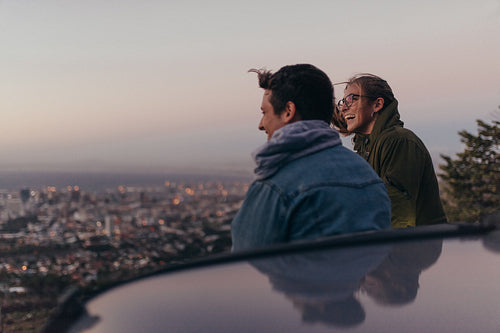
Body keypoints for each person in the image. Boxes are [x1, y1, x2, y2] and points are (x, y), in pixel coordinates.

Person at [231, 64, 391, 251]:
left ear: (288, 111)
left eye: (265, 112)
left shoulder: (276, 185)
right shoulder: (366, 175)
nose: (261, 124)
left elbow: (246, 267)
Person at [333, 74, 447, 228]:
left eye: (351, 99)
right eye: (342, 102)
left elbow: (397, 210)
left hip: (413, 246)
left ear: (377, 104)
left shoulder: (399, 141)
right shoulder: (366, 146)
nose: (344, 107)